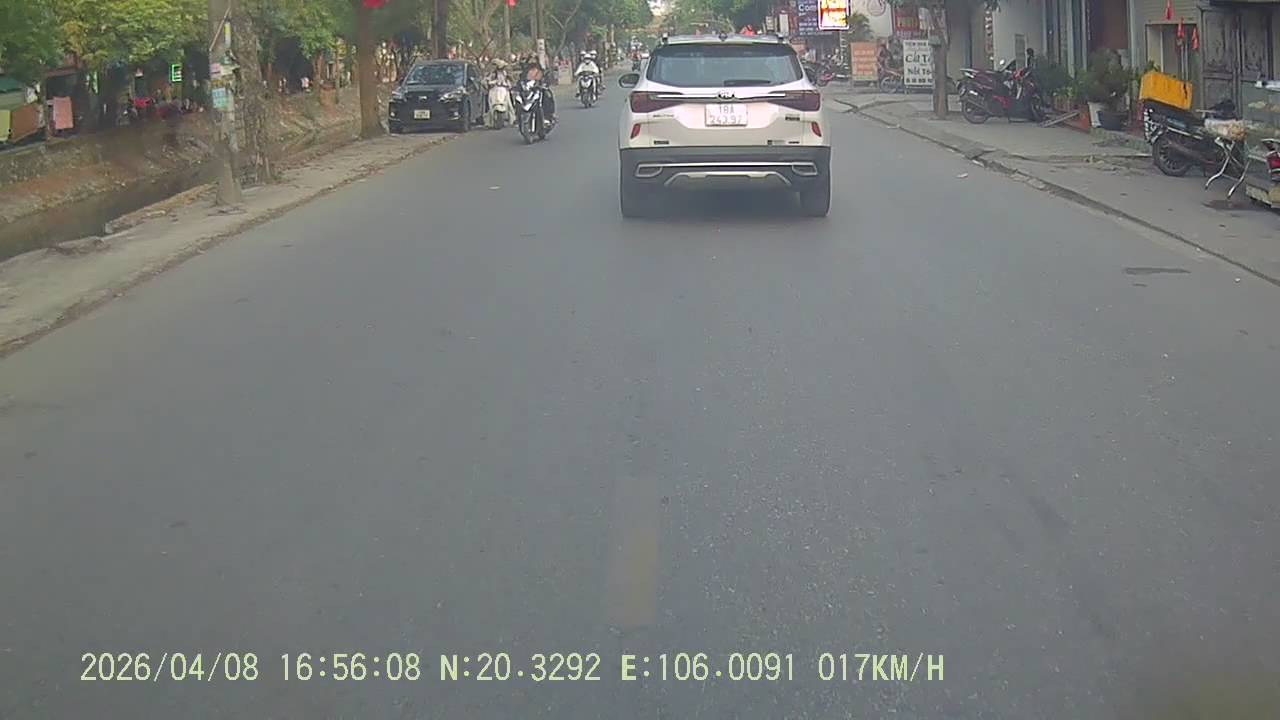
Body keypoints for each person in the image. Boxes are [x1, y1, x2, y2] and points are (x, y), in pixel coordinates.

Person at [520, 54, 556, 123]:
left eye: (534, 60)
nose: (532, 62)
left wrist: (544, 84)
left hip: (539, 90)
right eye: (531, 60)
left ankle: (549, 116)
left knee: (548, 96)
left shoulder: (541, 70)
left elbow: (545, 79)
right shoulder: (525, 72)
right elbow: (521, 81)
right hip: (528, 91)